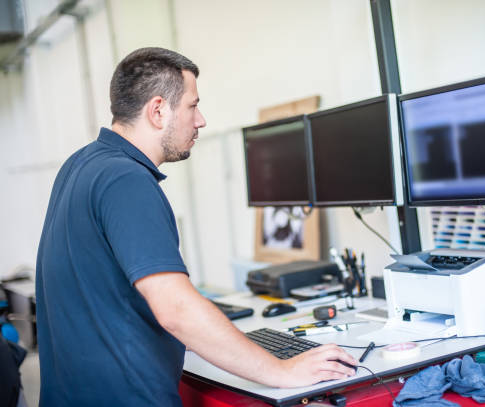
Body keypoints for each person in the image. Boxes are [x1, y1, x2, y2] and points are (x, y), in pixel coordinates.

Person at [36, 47, 357, 406]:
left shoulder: (81, 165)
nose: (201, 120)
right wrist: (280, 371)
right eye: (192, 105)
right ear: (158, 111)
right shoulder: (125, 179)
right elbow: (175, 309)